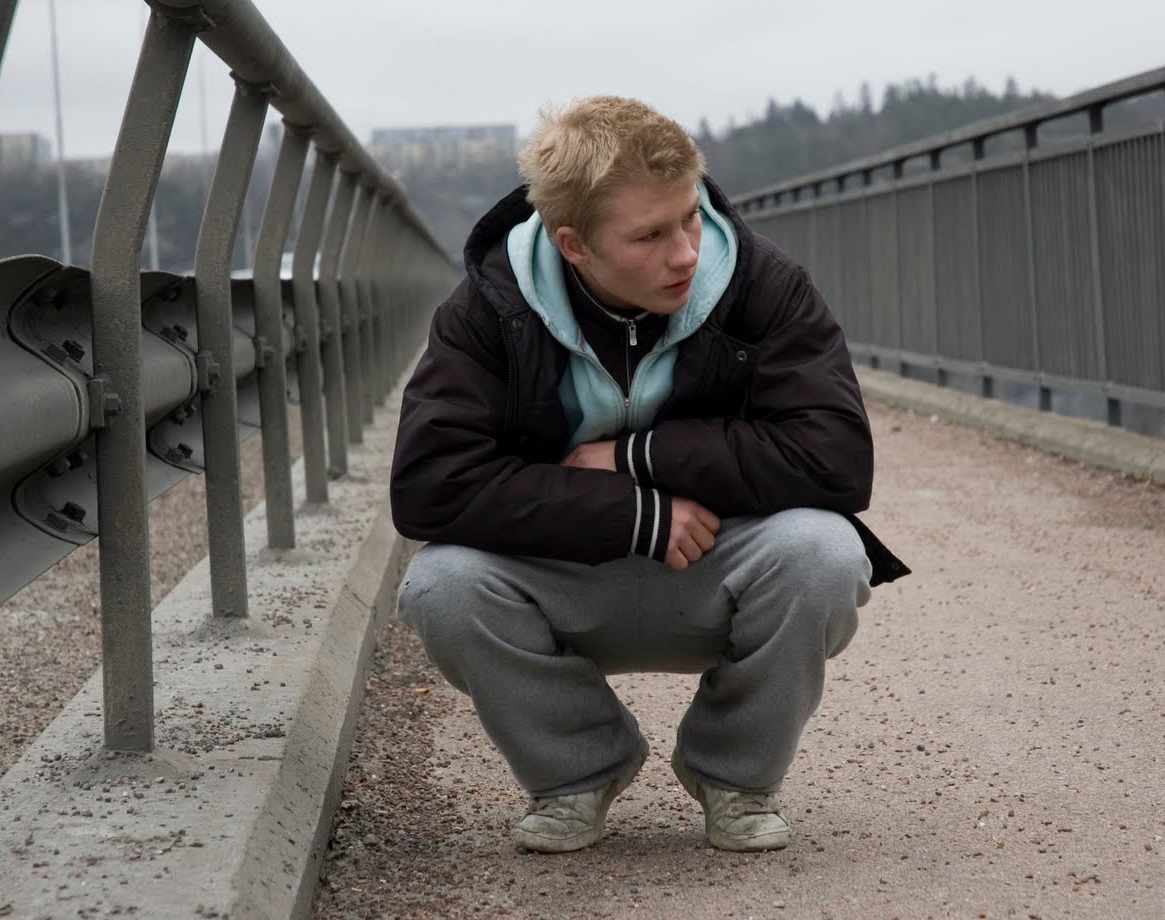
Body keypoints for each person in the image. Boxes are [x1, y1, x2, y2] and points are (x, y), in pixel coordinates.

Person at [389, 95, 907, 855]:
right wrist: (634, 513)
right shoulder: (490, 307)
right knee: (442, 584)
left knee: (825, 551)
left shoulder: (762, 282)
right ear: (574, 245)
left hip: (716, 567)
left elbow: (835, 457)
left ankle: (735, 776)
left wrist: (640, 457)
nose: (687, 253)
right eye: (650, 235)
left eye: (689, 218)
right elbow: (430, 483)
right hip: (566, 576)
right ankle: (579, 770)